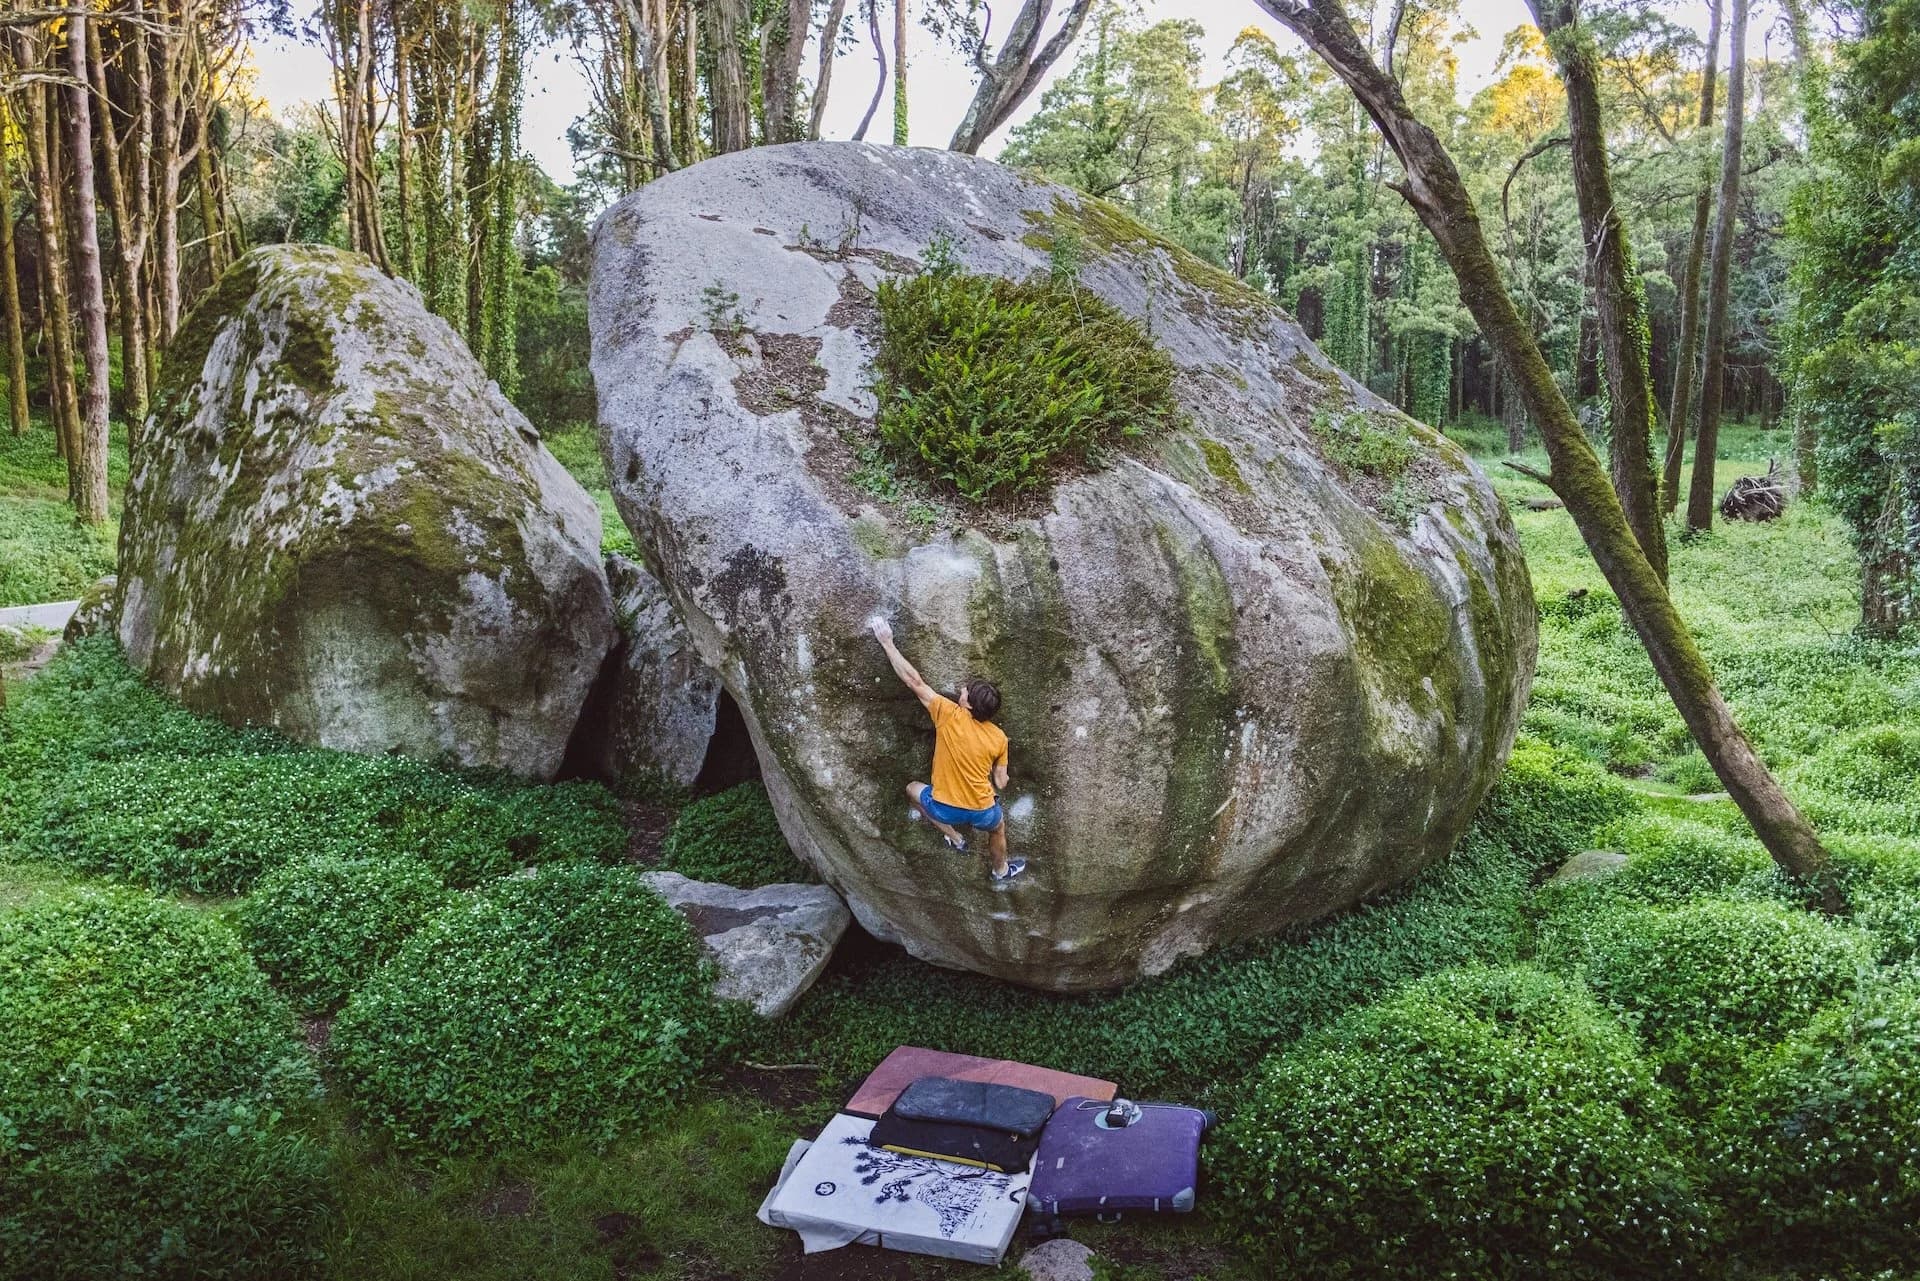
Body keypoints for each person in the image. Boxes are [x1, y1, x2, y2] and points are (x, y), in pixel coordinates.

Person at [869, 617, 1026, 883]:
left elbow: (914, 681)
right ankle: (1000, 870)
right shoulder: (999, 737)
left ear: (969, 706)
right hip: (982, 810)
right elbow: (1001, 781)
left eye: (966, 692)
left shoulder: (949, 714)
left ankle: (955, 837)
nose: (962, 691)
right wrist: (1002, 774)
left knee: (912, 790)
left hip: (945, 808)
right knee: (998, 827)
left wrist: (888, 643)